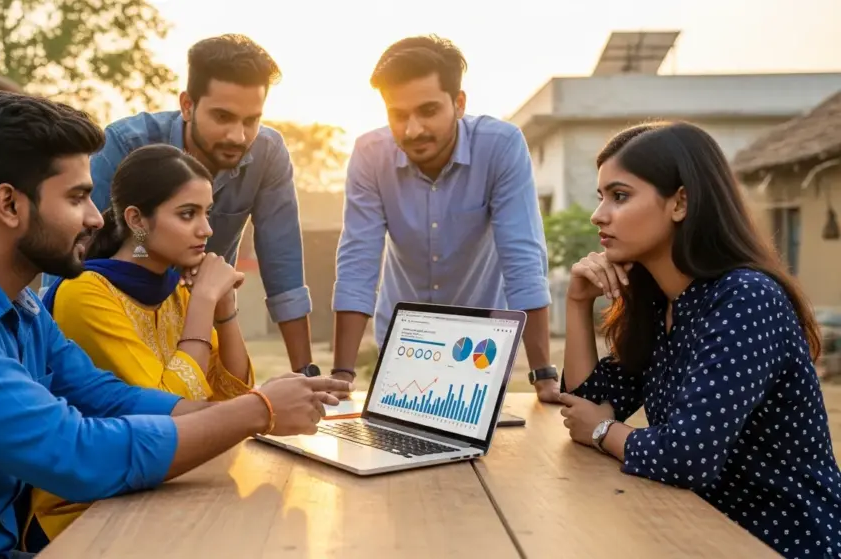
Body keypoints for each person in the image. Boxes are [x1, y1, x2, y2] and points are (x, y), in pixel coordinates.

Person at [0, 91, 352, 559]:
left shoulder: (20, 311)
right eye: (76, 198)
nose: (97, 218)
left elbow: (112, 398)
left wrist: (249, 409)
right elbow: (75, 452)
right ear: (9, 204)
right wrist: (255, 411)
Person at [557, 121, 841, 558]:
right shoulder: (658, 303)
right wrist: (577, 303)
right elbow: (584, 402)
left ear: (680, 203)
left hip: (780, 538)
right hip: (694, 527)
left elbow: (686, 456)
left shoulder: (745, 298)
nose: (599, 215)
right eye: (601, 197)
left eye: (620, 196)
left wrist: (602, 430)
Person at [38, 34, 318, 376]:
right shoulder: (126, 144)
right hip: (111, 315)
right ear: (187, 105)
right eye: (223, 117)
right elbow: (71, 249)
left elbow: (283, 263)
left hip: (196, 308)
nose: (238, 136)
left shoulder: (267, 153)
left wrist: (307, 376)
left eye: (251, 121)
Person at [26, 144, 258, 546]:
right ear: (136, 220)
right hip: (86, 511)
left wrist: (224, 307)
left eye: (207, 212)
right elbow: (171, 413)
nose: (206, 229)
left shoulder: (178, 288)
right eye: (188, 214)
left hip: (171, 487)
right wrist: (203, 300)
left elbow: (230, 396)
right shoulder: (86, 293)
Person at [331, 35, 558, 401]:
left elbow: (522, 258)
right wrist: (342, 374)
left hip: (480, 341)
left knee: (475, 451)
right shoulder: (369, 155)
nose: (413, 130)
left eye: (428, 111)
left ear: (459, 103)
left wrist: (544, 374)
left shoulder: (500, 147)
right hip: (403, 340)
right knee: (398, 446)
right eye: (398, 115)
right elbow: (358, 260)